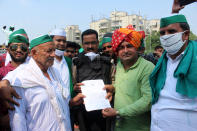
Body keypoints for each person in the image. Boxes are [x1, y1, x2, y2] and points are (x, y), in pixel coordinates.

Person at [8, 34, 84, 131]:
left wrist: (71, 103)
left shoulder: (54, 72)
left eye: (54, 51)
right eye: (49, 51)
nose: (53, 54)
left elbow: (58, 105)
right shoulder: (20, 79)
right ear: (34, 53)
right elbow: (17, 121)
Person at [150, 14, 197, 131]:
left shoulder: (194, 59)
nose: (166, 36)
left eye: (171, 31)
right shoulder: (163, 61)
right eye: (162, 33)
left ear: (185, 35)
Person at [102, 27, 155, 131]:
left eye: (129, 46)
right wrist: (113, 88)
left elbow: (148, 100)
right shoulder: (120, 65)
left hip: (139, 127)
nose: (125, 51)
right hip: (119, 126)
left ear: (137, 47)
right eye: (121, 47)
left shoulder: (147, 67)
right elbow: (126, 86)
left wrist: (118, 112)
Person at [72, 29, 112, 131]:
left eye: (93, 43)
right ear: (82, 44)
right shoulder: (76, 63)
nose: (90, 46)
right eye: (86, 43)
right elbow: (72, 84)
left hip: (104, 112)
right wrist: (75, 87)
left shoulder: (108, 62)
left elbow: (114, 84)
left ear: (98, 43)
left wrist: (112, 90)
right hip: (84, 112)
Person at [0, 34, 29, 130]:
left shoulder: (36, 72)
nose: (19, 50)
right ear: (8, 50)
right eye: (14, 47)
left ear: (28, 49)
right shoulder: (1, 72)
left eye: (23, 47)